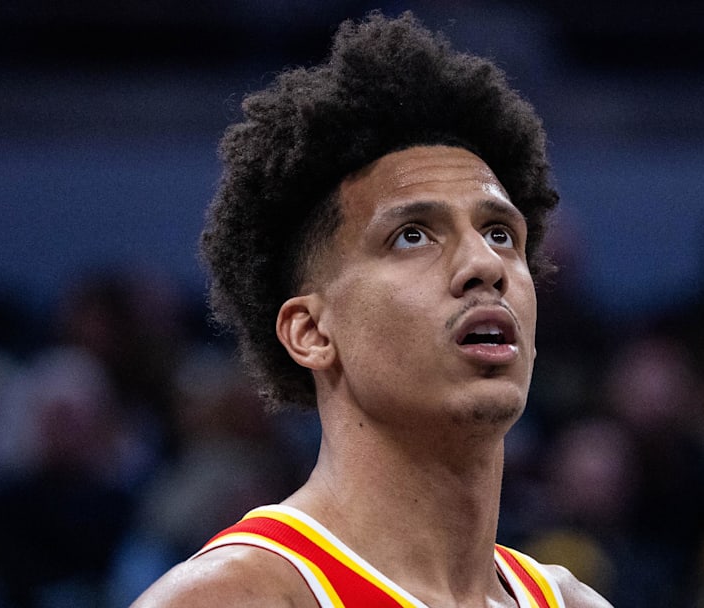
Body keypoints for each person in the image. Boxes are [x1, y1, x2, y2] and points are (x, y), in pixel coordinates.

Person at [133, 11, 612, 608]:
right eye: (412, 235)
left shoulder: (574, 601)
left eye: (499, 233)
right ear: (311, 331)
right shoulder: (234, 598)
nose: (484, 264)